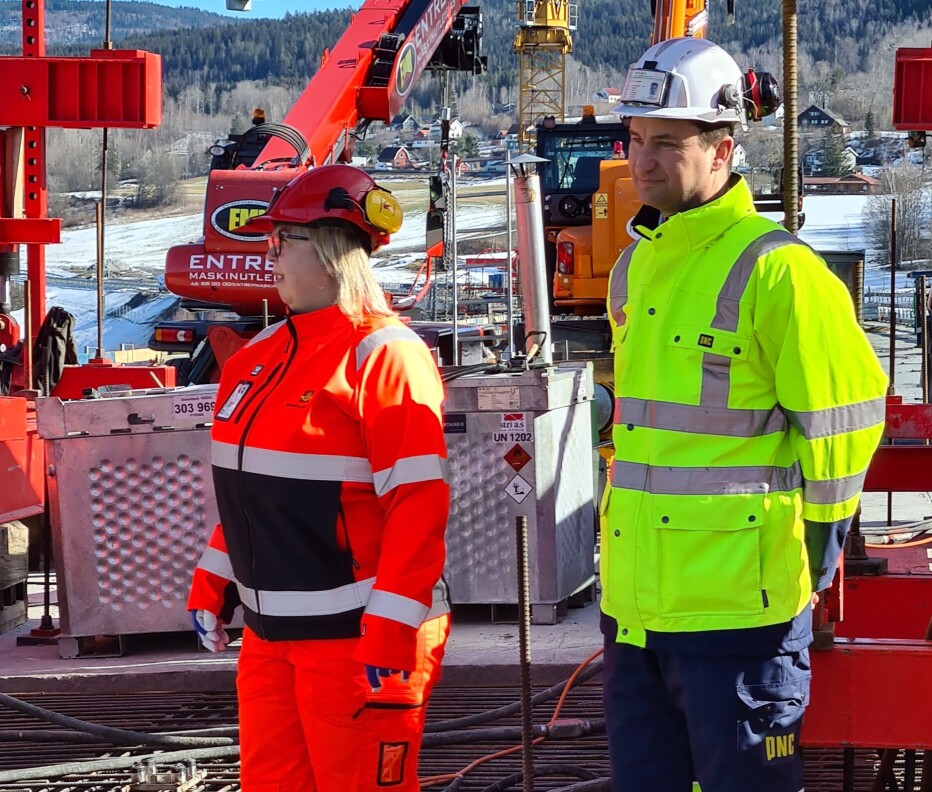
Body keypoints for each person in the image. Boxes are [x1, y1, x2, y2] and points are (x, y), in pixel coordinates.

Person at [601, 38, 888, 792]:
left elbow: (846, 418)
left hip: (739, 617)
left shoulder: (780, 270)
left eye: (667, 142)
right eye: (636, 139)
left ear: (723, 148)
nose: (644, 160)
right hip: (636, 616)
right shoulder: (635, 266)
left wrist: (823, 542)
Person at [187, 164, 451, 792]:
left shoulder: (384, 354)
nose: (268, 254)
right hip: (270, 639)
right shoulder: (257, 358)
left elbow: (418, 505)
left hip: (357, 644)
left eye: (285, 240)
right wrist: (212, 581)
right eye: (269, 239)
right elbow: (256, 496)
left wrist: (390, 633)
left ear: (334, 251)